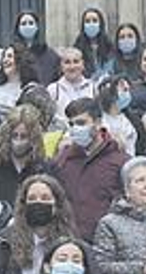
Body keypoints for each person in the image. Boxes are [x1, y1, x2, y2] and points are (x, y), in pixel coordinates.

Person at [51, 97, 129, 241]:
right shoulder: (63, 160)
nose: (76, 129)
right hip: (69, 244)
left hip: (106, 244)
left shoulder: (121, 161)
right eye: (71, 124)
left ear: (98, 122)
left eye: (81, 123)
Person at [0, 105, 49, 206]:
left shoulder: (45, 168)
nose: (18, 141)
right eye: (14, 135)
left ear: (33, 138)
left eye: (24, 136)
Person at [12, 9, 61, 87]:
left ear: (37, 27)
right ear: (17, 28)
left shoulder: (50, 54)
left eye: (31, 23)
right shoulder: (11, 53)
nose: (27, 26)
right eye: (23, 23)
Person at [48, 46, 96, 120]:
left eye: (76, 61)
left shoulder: (93, 88)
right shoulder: (53, 90)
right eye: (67, 62)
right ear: (61, 66)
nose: (72, 67)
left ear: (83, 64)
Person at [98, 75, 138, 156]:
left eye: (128, 90)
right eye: (124, 90)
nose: (127, 94)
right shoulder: (97, 119)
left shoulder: (130, 119)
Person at [0, 44, 34, 113]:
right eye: (4, 57)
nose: (5, 60)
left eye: (9, 56)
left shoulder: (29, 91)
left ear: (20, 60)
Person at [73, 7, 114, 80]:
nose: (91, 24)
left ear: (100, 24)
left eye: (95, 21)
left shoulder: (109, 46)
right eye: (87, 21)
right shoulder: (78, 46)